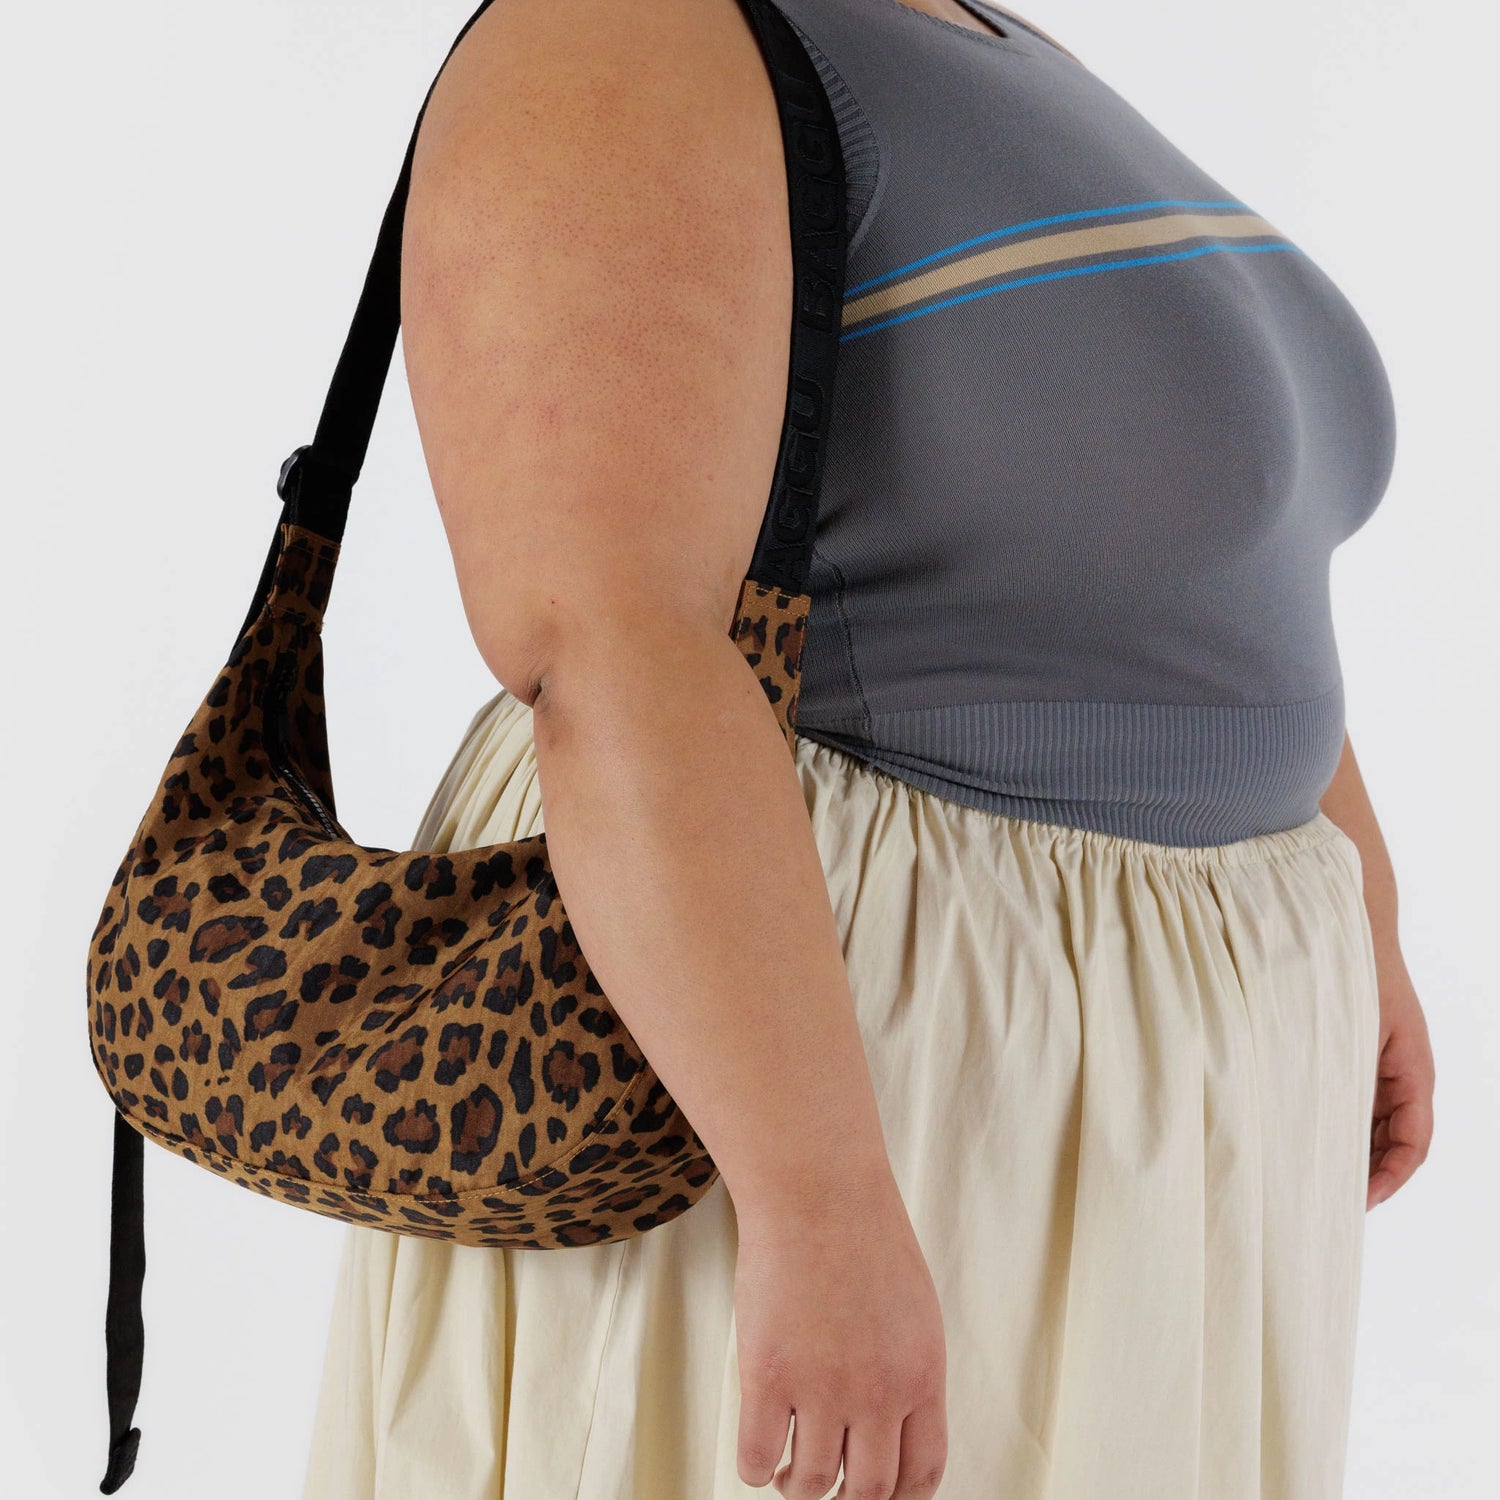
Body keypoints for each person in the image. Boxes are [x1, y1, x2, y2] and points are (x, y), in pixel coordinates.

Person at [300, 2, 1435, 1497]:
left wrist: (1366, 917)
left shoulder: (981, 45)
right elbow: (612, 650)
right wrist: (818, 1204)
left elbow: (1208, 559)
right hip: (874, 1062)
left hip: (1142, 1107)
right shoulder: (618, 38)